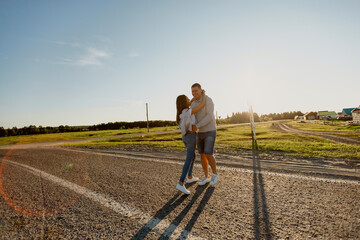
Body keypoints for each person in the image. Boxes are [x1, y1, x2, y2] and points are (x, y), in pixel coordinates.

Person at [175, 91, 206, 194]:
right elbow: (201, 105)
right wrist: (203, 95)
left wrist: (193, 98)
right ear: (184, 102)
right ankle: (180, 183)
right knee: (188, 159)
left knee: (192, 156)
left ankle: (190, 176)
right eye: (188, 100)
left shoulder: (181, 113)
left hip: (185, 137)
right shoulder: (189, 111)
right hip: (191, 137)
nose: (190, 101)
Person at [190, 83, 218, 186]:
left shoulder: (208, 100)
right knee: (202, 154)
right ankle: (206, 176)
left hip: (210, 130)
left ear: (201, 90)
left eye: (196, 91)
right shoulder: (193, 103)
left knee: (208, 153)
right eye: (192, 91)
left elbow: (209, 116)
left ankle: (215, 174)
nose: (194, 93)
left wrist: (197, 125)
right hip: (199, 132)